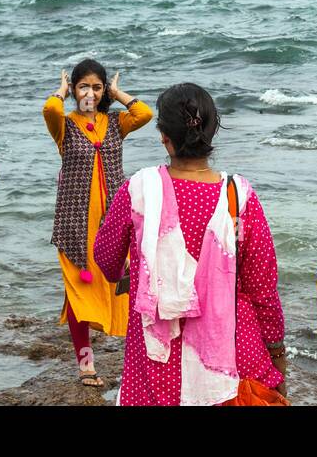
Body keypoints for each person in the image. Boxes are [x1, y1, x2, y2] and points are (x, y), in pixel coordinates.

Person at [93, 82, 286, 405]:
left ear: (164, 138)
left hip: (158, 359)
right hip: (231, 352)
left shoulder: (138, 190)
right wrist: (277, 355)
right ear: (212, 132)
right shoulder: (238, 197)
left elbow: (107, 261)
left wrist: (137, 266)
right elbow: (262, 287)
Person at [43, 59, 151, 388]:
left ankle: (140, 355)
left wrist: (118, 93)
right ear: (75, 90)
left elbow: (144, 113)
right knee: (78, 295)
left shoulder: (115, 123)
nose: (90, 92)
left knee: (126, 291)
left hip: (114, 225)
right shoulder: (65, 125)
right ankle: (86, 364)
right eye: (83, 86)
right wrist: (60, 92)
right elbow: (49, 109)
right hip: (76, 226)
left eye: (97, 86)